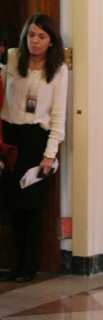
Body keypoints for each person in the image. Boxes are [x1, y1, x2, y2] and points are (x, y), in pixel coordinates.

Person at [0, 14, 68, 282]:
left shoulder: (58, 69)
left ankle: (30, 267)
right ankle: (15, 265)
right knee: (12, 206)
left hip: (36, 140)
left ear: (51, 41)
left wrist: (49, 155)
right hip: (10, 137)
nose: (35, 41)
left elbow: (58, 116)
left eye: (41, 36)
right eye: (31, 35)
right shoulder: (14, 57)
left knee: (31, 206)